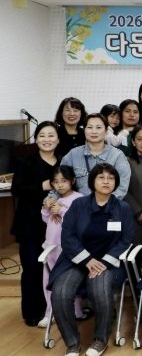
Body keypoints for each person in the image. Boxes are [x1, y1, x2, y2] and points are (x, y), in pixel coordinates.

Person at [49, 163, 134, 356]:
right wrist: (87, 260)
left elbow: (126, 239)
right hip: (76, 259)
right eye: (101, 177)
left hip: (106, 262)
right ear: (92, 181)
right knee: (61, 293)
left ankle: (100, 340)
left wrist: (104, 262)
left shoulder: (122, 208)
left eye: (111, 178)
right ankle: (72, 343)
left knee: (100, 290)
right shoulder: (79, 205)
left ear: (116, 183)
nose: (106, 181)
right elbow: (68, 237)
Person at [11, 121, 60, 326]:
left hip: (55, 225)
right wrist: (42, 186)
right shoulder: (26, 162)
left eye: (51, 135)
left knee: (53, 267)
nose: (47, 139)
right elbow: (16, 190)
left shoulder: (63, 162)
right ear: (36, 139)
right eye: (42, 135)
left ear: (58, 139)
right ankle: (32, 312)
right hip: (30, 224)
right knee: (32, 268)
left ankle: (53, 309)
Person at [40, 166, 85, 327]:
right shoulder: (52, 198)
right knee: (48, 279)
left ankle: (76, 311)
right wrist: (46, 209)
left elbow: (80, 223)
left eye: (64, 181)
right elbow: (46, 220)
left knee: (69, 280)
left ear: (72, 181)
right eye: (56, 182)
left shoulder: (79, 199)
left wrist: (62, 211)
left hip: (68, 248)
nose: (60, 185)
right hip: (50, 246)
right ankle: (49, 312)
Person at [60, 113, 131, 199]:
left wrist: (103, 203)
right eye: (90, 127)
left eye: (98, 127)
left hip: (109, 205)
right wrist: (52, 198)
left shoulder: (117, 156)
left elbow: (122, 188)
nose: (94, 131)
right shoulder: (73, 154)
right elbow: (60, 180)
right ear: (84, 130)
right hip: (80, 205)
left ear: (106, 131)